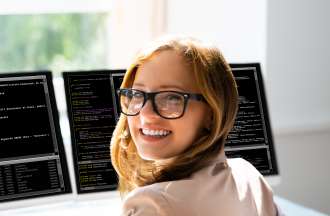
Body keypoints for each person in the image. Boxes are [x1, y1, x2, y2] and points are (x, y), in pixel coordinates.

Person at [110, 36, 281, 215]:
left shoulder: (152, 205)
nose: (145, 114)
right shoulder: (249, 177)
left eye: (172, 98)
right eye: (137, 93)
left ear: (211, 114)